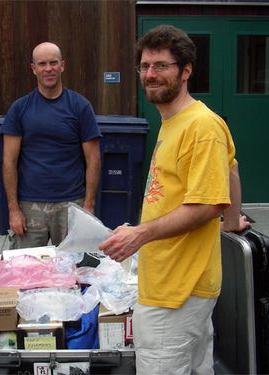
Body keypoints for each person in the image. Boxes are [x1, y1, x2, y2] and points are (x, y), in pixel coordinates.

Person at [98, 25, 250, 374]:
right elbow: (232, 169)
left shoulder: (201, 127)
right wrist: (230, 222)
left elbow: (208, 203)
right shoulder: (175, 121)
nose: (150, 74)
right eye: (145, 66)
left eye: (162, 65)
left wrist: (140, 234)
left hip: (177, 292)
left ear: (186, 71)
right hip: (174, 283)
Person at [2, 42, 101, 249]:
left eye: (53, 63)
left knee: (71, 269)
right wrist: (13, 210)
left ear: (62, 65)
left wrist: (88, 205)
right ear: (34, 68)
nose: (48, 68)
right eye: (42, 64)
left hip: (71, 203)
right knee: (27, 271)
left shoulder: (80, 107)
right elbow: (9, 162)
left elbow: (93, 159)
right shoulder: (19, 109)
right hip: (29, 205)